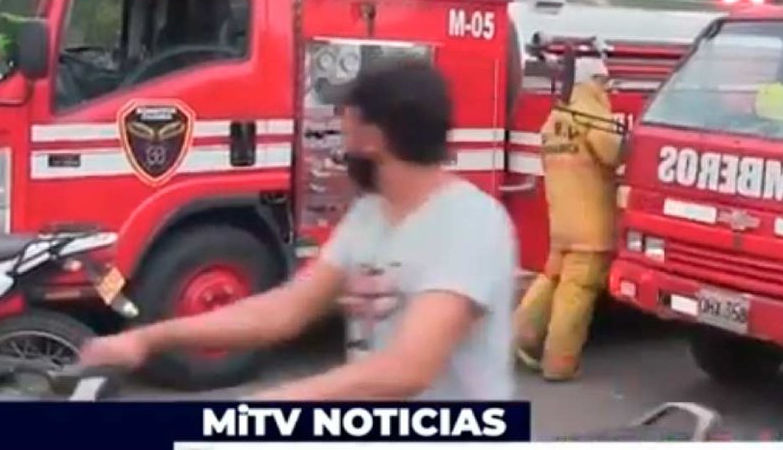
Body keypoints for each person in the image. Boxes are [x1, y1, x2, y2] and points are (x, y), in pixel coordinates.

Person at [78, 58, 519, 400]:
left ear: (374, 136)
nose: (339, 122)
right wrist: (149, 339)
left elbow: (408, 369)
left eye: (347, 113)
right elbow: (285, 310)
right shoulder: (370, 216)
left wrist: (282, 403)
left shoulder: (469, 223)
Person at [513, 56, 624, 381]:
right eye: (604, 83)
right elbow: (614, 154)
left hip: (561, 222)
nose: (608, 89)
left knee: (550, 280)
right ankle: (559, 364)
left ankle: (519, 337)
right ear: (592, 83)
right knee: (577, 293)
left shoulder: (555, 119)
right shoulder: (593, 116)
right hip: (592, 224)